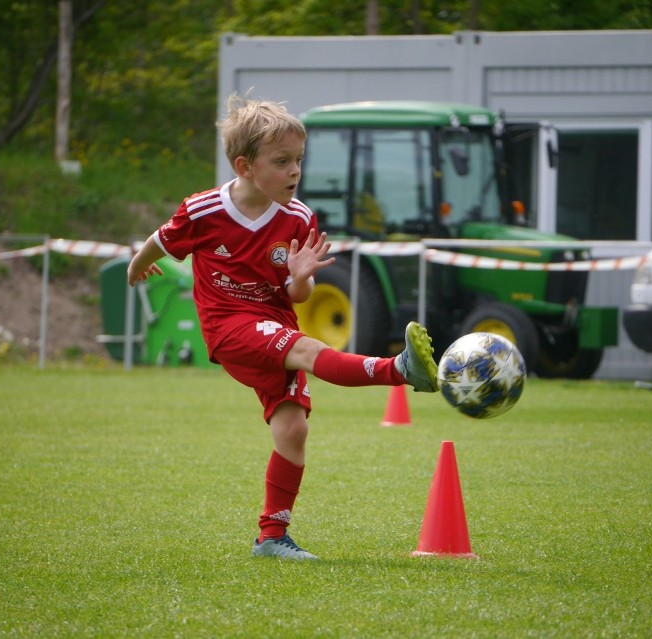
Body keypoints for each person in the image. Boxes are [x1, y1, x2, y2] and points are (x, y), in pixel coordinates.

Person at [127, 93, 439, 561]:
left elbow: (299, 296)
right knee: (310, 351)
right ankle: (399, 368)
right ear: (244, 165)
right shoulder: (204, 210)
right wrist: (136, 266)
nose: (295, 171)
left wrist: (300, 277)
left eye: (298, 160)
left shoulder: (299, 218)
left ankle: (271, 538)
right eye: (281, 161)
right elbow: (161, 239)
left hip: (275, 321)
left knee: (292, 430)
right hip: (229, 326)